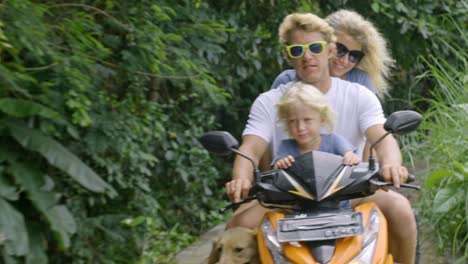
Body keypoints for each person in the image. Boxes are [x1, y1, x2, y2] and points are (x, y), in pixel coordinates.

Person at [225, 13, 417, 264]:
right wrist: (240, 178)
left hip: (351, 192)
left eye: (315, 47)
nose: (307, 56)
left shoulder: (359, 95)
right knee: (237, 227)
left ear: (330, 51)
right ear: (288, 56)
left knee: (401, 209)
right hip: (286, 198)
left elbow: (383, 137)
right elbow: (250, 147)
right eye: (297, 50)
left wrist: (392, 164)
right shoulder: (269, 101)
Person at [271, 9, 394, 99]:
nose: (345, 60)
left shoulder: (359, 80)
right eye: (340, 49)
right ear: (326, 45)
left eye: (354, 56)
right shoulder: (287, 81)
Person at [274, 81, 361, 170]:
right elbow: (276, 168)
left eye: (307, 120)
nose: (300, 127)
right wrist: (281, 164)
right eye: (292, 121)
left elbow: (352, 156)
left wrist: (350, 157)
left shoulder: (333, 141)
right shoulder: (286, 147)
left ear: (322, 119)